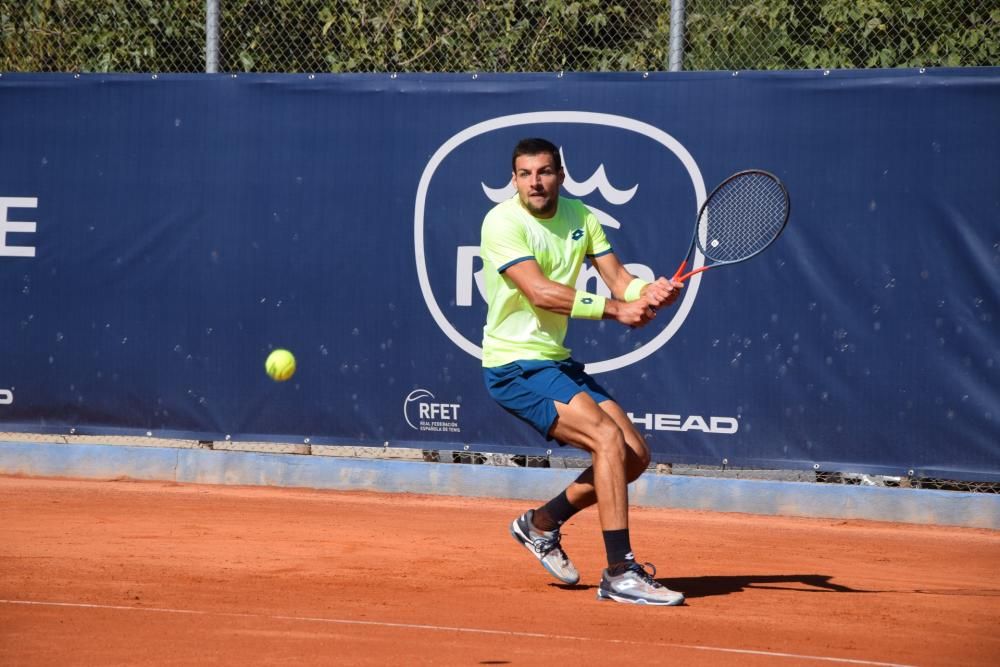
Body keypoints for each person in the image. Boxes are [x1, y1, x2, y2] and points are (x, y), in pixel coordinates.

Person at [480, 137, 687, 606]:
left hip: (553, 359)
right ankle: (620, 572)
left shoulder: (581, 216)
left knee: (633, 455)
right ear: (513, 179)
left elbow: (619, 279)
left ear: (560, 175)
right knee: (607, 440)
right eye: (526, 173)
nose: (535, 182)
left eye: (545, 171)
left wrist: (647, 291)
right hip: (514, 364)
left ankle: (540, 524)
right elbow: (540, 292)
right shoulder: (501, 222)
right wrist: (618, 311)